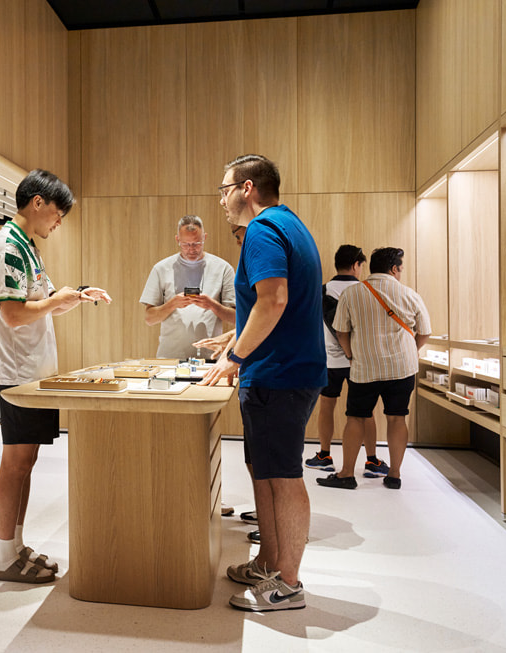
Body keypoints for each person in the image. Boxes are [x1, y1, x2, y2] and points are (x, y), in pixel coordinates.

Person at [201, 154, 326, 612]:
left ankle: (287, 584)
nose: (221, 199)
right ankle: (269, 564)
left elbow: (273, 300)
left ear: (247, 188)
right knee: (266, 472)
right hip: (283, 370)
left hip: (279, 374)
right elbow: (273, 306)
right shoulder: (289, 224)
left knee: (284, 477)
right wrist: (234, 335)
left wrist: (235, 358)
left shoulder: (261, 230)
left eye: (224, 188)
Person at [0, 169, 111, 584]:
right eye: (57, 214)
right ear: (37, 203)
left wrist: (75, 296)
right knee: (15, 463)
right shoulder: (7, 247)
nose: (58, 223)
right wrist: (56, 300)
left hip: (34, 371)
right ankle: (4, 554)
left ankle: (16, 546)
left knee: (27, 462)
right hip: (18, 371)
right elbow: (14, 313)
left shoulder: (27, 247)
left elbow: (44, 303)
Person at [317, 247, 431, 491]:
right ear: (394, 269)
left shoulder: (354, 293)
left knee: (356, 417)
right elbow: (425, 331)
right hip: (402, 369)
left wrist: (350, 354)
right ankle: (394, 475)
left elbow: (341, 331)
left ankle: (347, 474)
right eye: (400, 268)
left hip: (365, 367)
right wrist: (411, 350)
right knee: (397, 417)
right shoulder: (410, 294)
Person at [306, 245, 387, 475]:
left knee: (326, 406)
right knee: (365, 411)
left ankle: (324, 455)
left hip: (329, 361)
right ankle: (371, 460)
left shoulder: (321, 291)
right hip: (358, 361)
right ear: (355, 265)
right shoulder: (366, 290)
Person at [140, 215, 235, 359]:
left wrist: (212, 305)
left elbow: (236, 318)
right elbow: (149, 319)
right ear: (177, 239)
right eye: (186, 244)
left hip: (210, 359)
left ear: (205, 237)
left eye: (197, 243)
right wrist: (172, 304)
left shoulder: (223, 268)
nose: (192, 249)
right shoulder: (161, 268)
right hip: (170, 358)